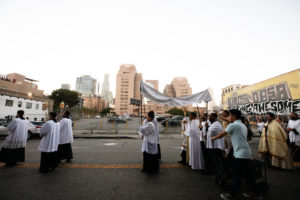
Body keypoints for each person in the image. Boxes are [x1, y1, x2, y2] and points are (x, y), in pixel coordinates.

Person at [212, 109, 261, 200]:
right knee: (247, 175)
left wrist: (213, 138)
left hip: (241, 154)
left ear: (233, 116)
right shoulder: (242, 125)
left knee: (238, 175)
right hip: (245, 152)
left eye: (229, 115)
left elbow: (222, 134)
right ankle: (256, 193)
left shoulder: (233, 125)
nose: (228, 117)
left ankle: (232, 193)